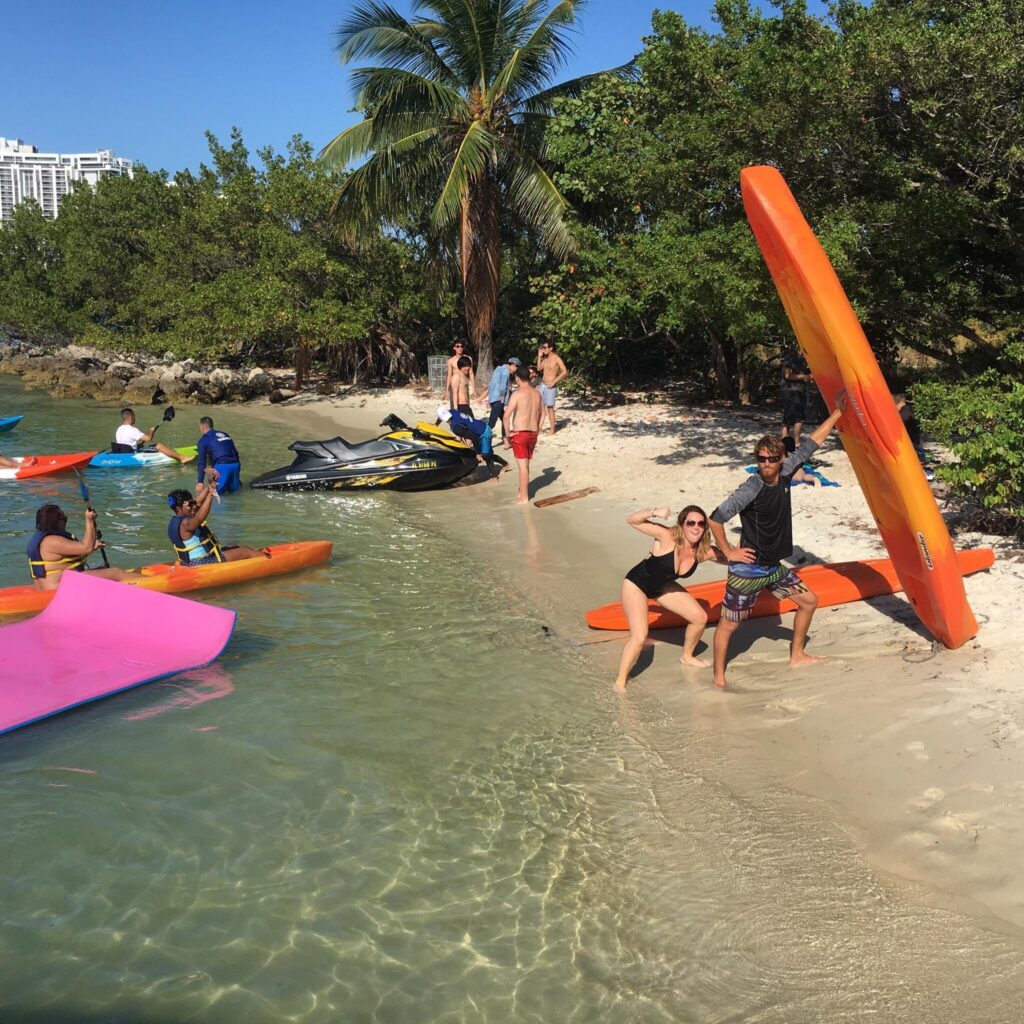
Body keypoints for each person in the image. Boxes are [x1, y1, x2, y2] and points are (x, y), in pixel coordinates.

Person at [708, 406, 843, 689]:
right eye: (760, 459)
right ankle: (719, 678)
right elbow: (716, 519)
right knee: (729, 624)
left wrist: (838, 412)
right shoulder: (751, 488)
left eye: (770, 459)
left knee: (809, 601)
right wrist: (730, 551)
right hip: (748, 570)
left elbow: (812, 443)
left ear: (781, 460)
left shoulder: (785, 472)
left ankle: (797, 655)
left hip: (773, 568)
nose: (765, 464)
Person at [614, 505, 728, 691]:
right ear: (682, 525)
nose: (696, 527)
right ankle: (620, 682)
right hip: (636, 585)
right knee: (639, 636)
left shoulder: (703, 551)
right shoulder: (667, 537)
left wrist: (741, 551)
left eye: (701, 523)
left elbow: (728, 557)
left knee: (700, 618)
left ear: (705, 528)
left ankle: (687, 656)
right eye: (690, 522)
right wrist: (654, 512)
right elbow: (632, 520)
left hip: (662, 587)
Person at [27, 503, 138, 589]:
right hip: (60, 591)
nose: (65, 522)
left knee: (103, 569)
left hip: (56, 586)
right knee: (115, 573)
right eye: (64, 519)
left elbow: (63, 563)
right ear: (56, 522)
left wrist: (92, 548)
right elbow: (86, 547)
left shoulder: (45, 541)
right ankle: (152, 585)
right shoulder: (52, 541)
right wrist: (89, 520)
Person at [167, 476, 266, 566]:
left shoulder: (178, 520)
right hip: (202, 562)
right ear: (179, 509)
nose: (194, 506)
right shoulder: (186, 523)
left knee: (233, 546)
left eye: (193, 503)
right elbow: (200, 518)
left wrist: (209, 487)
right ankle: (269, 561)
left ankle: (253, 560)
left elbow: (198, 502)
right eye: (190, 505)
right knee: (245, 551)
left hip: (191, 561)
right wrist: (210, 494)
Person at [502, 364, 545, 504]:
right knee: (525, 465)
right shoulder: (537, 393)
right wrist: (538, 430)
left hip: (520, 434)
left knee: (522, 467)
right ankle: (522, 491)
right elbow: (543, 414)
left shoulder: (518, 394)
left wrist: (508, 435)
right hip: (532, 433)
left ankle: (524, 497)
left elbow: (506, 416)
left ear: (518, 379)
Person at [437, 406, 508, 480]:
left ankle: (495, 476)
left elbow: (474, 438)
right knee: (485, 454)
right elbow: (440, 417)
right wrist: (436, 424)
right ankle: (503, 465)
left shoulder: (456, 427)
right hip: (478, 428)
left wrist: (478, 453)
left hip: (484, 432)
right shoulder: (452, 412)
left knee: (485, 455)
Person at [113, 407, 193, 464]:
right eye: (134, 416)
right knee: (159, 445)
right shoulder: (132, 429)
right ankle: (182, 458)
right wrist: (151, 431)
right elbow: (149, 438)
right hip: (133, 454)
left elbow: (128, 442)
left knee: (141, 445)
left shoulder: (119, 429)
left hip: (123, 452)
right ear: (130, 417)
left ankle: (170, 452)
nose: (135, 418)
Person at [477, 356, 520, 444]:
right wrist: (502, 397)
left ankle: (506, 442)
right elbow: (502, 387)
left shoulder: (498, 369)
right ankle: (479, 439)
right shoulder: (505, 371)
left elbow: (491, 385)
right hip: (499, 400)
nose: (515, 370)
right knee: (492, 423)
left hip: (494, 399)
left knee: (504, 419)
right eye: (516, 368)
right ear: (513, 365)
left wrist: (489, 400)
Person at [893, 393, 934, 481]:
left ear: (897, 402)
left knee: (916, 462)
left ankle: (927, 475)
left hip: (911, 442)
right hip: (915, 441)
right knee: (919, 460)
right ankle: (928, 475)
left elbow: (899, 429)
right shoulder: (909, 411)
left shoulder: (904, 413)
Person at [196, 416, 242, 493]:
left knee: (215, 495)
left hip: (223, 466)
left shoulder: (203, 440)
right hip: (236, 464)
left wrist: (200, 482)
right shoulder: (225, 434)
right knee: (235, 493)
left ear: (202, 427)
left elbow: (201, 462)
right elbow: (235, 453)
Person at [779, 349, 813, 446]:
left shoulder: (804, 360)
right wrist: (805, 377)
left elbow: (808, 376)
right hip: (791, 391)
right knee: (797, 418)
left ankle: (785, 442)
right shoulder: (791, 357)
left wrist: (809, 377)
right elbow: (787, 375)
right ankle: (796, 443)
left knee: (789, 417)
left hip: (798, 391)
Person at [536, 340, 568, 434]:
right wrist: (539, 357)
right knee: (540, 407)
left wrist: (554, 381)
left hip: (550, 385)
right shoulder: (545, 359)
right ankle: (539, 428)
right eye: (543, 348)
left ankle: (552, 429)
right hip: (543, 384)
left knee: (550, 408)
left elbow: (565, 371)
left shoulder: (556, 358)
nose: (543, 349)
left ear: (551, 348)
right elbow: (538, 368)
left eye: (545, 348)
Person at [445, 341, 475, 409]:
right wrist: (447, 390)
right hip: (454, 384)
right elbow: (449, 375)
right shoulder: (451, 360)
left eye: (461, 346)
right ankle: (455, 418)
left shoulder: (468, 359)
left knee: (465, 404)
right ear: (454, 348)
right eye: (458, 346)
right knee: (454, 405)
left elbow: (471, 373)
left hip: (464, 384)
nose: (460, 348)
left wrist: (474, 388)